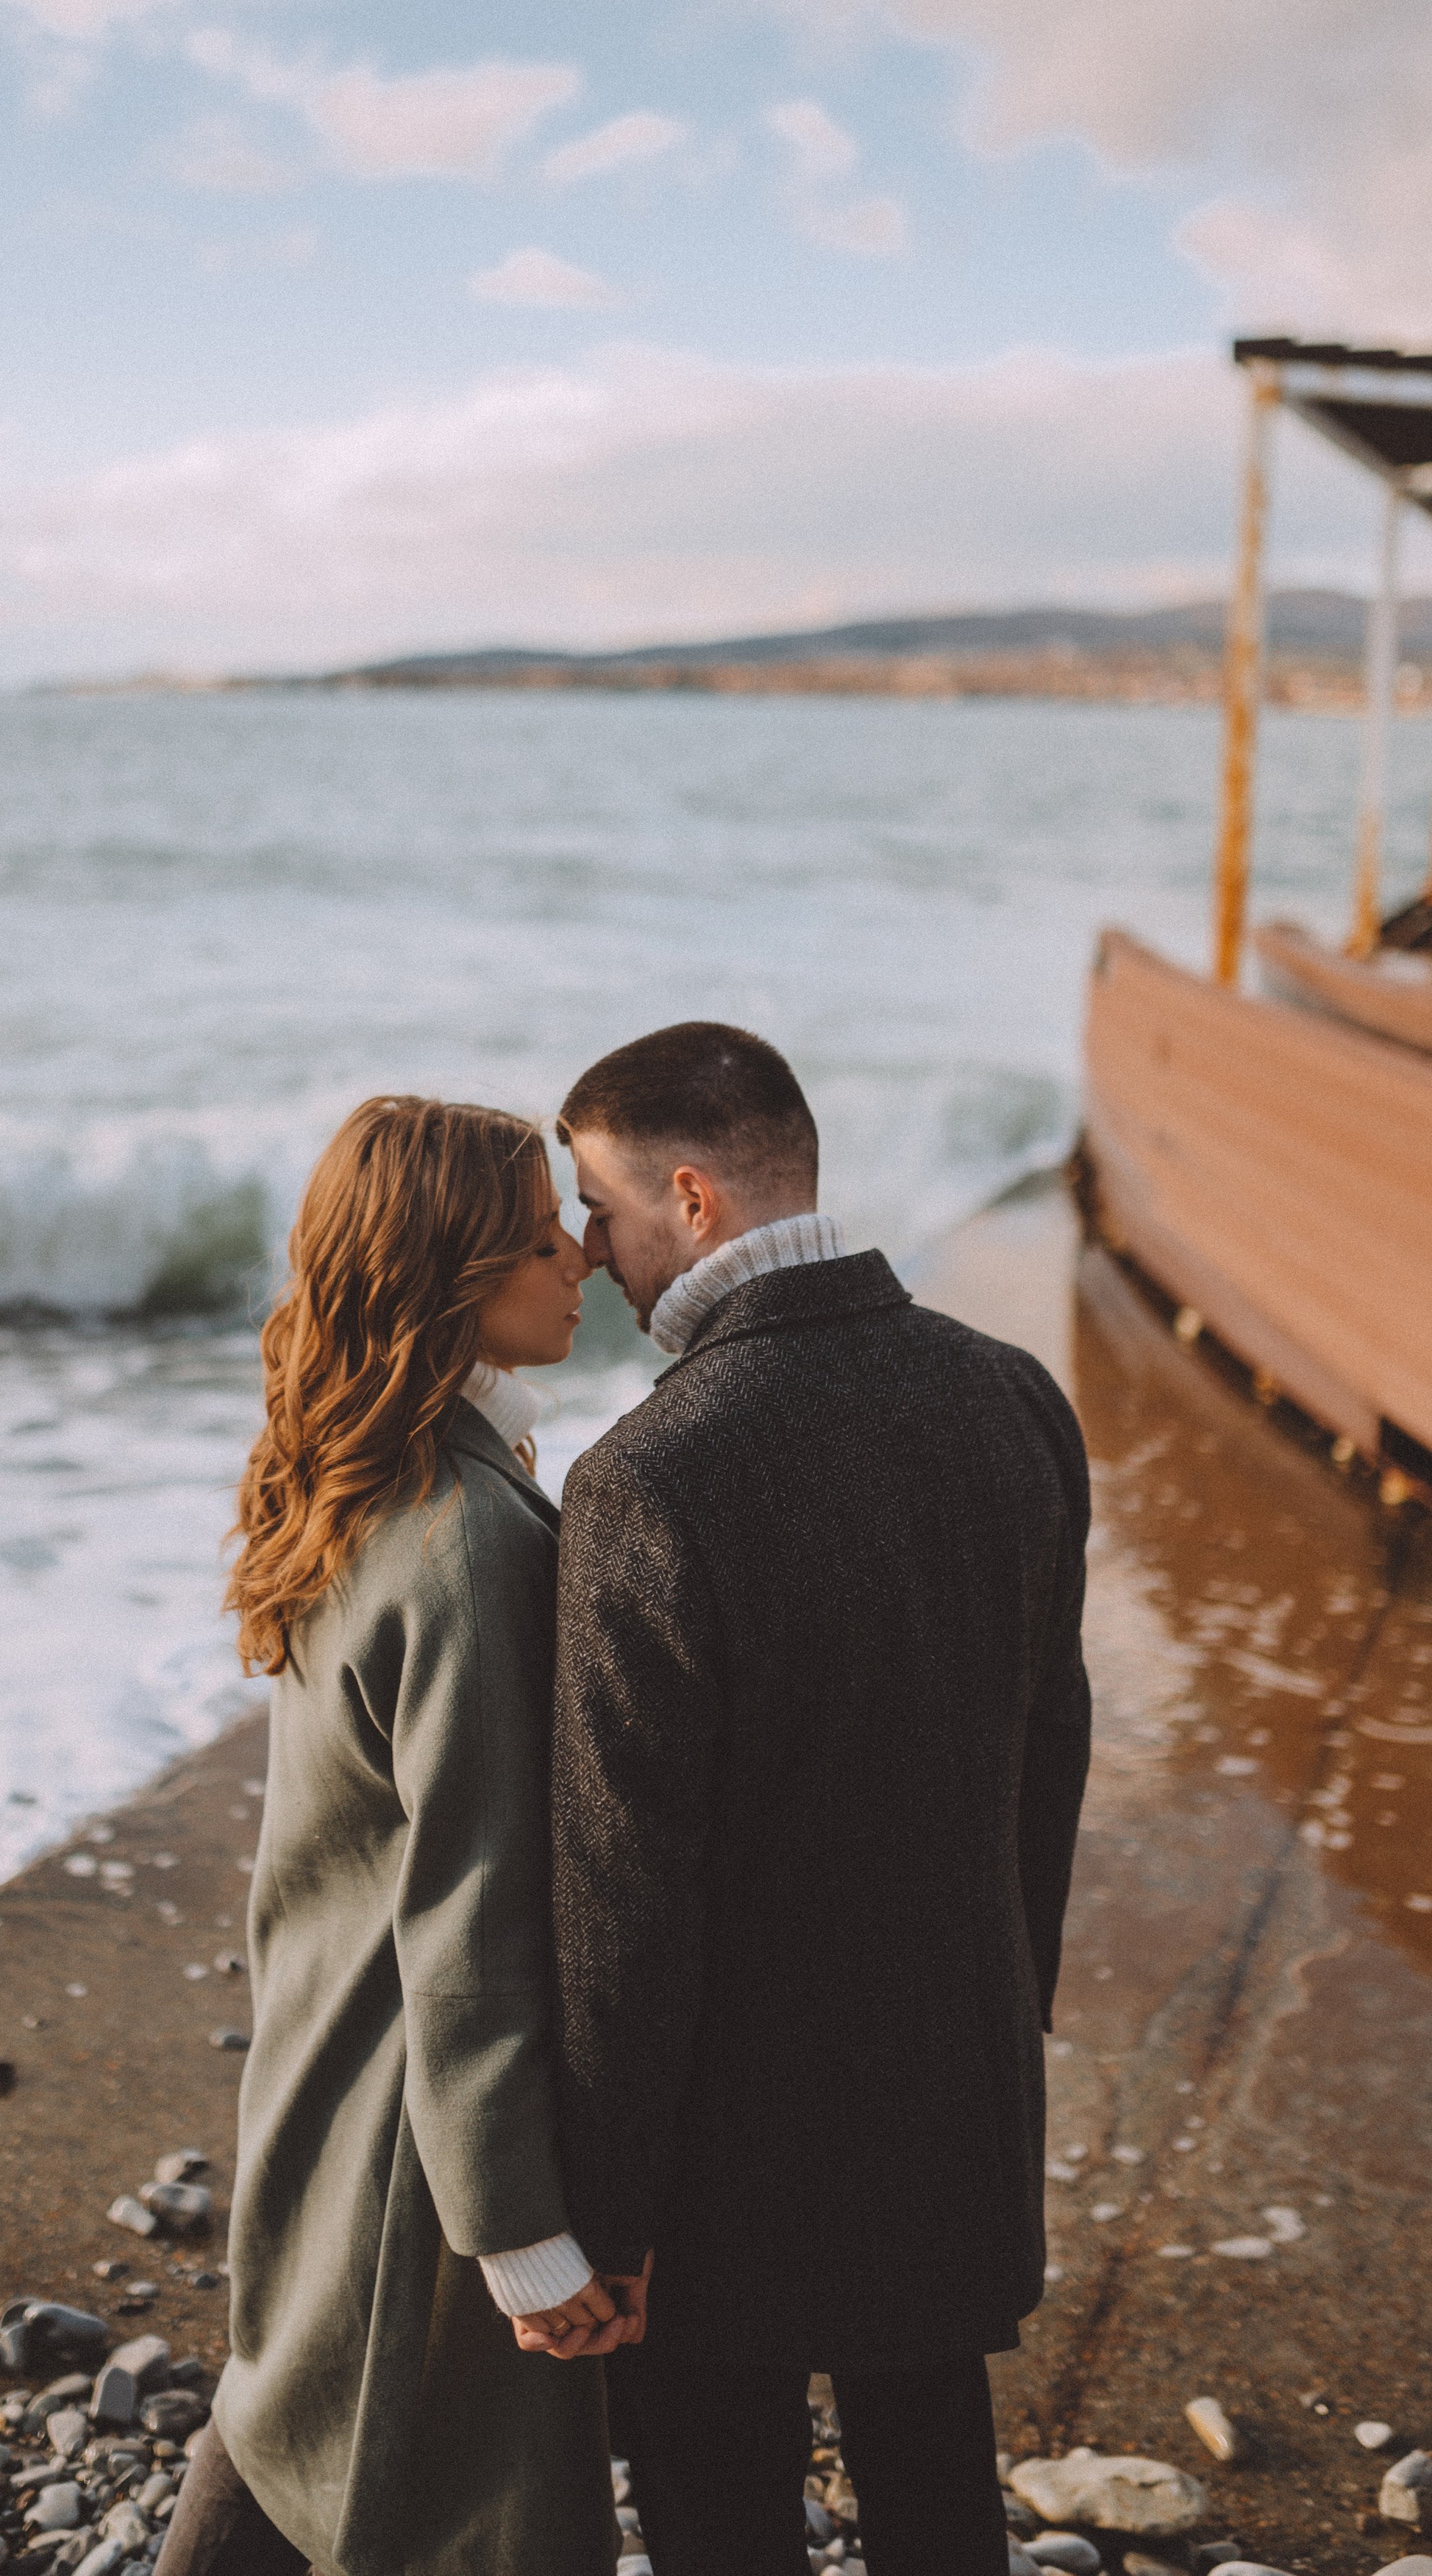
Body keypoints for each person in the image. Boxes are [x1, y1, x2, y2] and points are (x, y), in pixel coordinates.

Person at [540, 1021, 1092, 2576]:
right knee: (934, 2495)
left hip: (727, 2155)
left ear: (695, 1200)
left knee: (722, 2520)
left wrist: (602, 2205)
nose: (588, 1251)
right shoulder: (1013, 1399)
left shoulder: (646, 1480)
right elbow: (1049, 1748)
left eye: (602, 1206)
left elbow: (623, 1890)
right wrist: (1002, 2014)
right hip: (951, 2086)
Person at [154, 1096, 629, 2576]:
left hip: (322, 2055)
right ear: (455, 1273)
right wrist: (522, 2237)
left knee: (288, 2410)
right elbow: (474, 1913)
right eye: (540, 1234)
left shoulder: (355, 1472)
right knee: (447, 2507)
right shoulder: (473, 1546)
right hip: (411, 2132)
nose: (580, 1261)